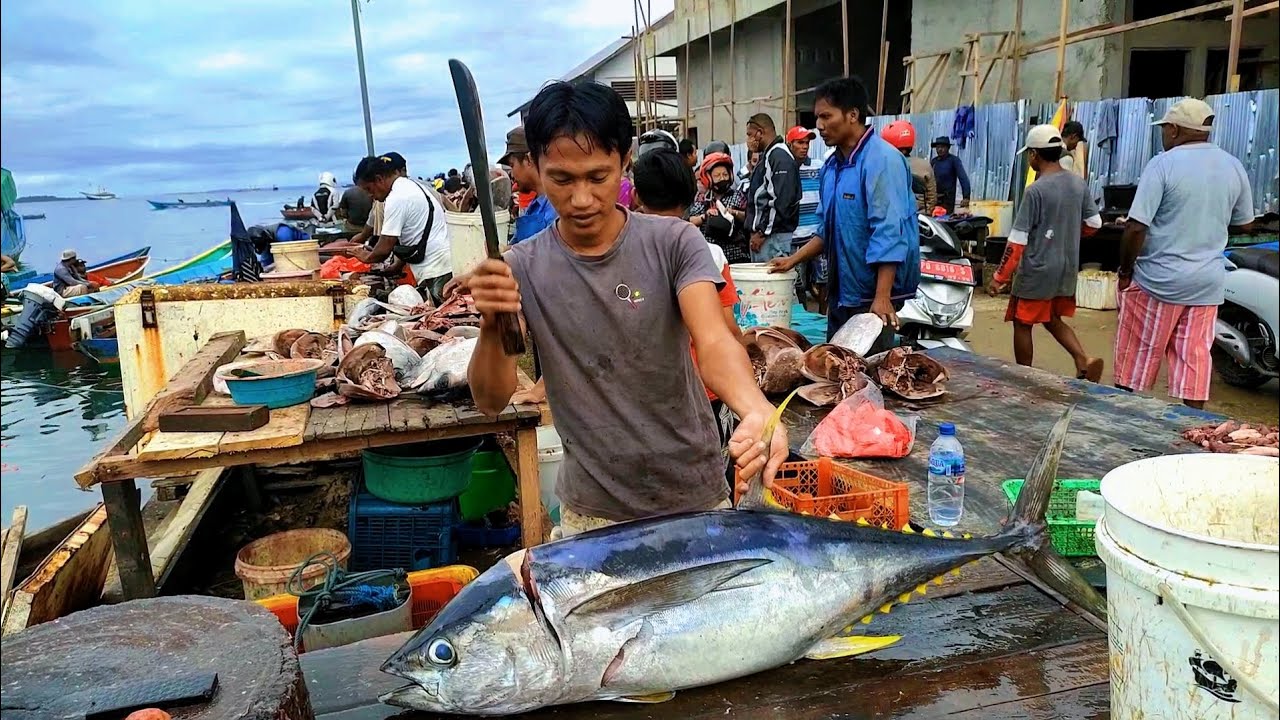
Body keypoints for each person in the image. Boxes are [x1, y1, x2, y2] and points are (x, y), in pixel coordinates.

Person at [465, 80, 786, 538]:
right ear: (533, 166)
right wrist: (493, 323)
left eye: (598, 177)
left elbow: (714, 341)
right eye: (562, 179)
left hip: (693, 498)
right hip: (591, 515)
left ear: (625, 159)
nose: (581, 199)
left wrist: (754, 406)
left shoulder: (673, 242)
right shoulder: (520, 267)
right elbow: (490, 399)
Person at [1114, 98, 1255, 409]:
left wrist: (1125, 272)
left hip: (1158, 281)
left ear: (1174, 129)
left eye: (1165, 128)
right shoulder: (1233, 165)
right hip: (1207, 283)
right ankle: (1194, 430)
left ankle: (1122, 419)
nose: (1164, 135)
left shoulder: (1163, 164)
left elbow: (1136, 228)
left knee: (1136, 358)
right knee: (1194, 358)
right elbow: (1245, 223)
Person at [768, 76, 919, 347]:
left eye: (826, 116)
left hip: (872, 297)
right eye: (817, 118)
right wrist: (793, 260)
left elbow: (889, 232)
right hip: (842, 292)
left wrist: (882, 297)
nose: (820, 126)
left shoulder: (882, 161)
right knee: (837, 369)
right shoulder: (832, 167)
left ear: (852, 115)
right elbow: (827, 229)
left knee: (870, 373)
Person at [632, 145, 744, 486]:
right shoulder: (709, 252)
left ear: (636, 196)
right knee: (712, 483)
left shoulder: (623, 255)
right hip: (705, 392)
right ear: (692, 193)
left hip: (647, 398)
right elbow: (727, 328)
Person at [986, 125, 1105, 382]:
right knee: (1051, 317)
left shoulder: (1036, 190)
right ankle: (1083, 360)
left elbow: (1017, 241)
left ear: (1034, 155)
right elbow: (1095, 223)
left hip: (1038, 268)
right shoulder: (1077, 183)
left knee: (1022, 321)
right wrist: (1069, 233)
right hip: (1066, 266)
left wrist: (999, 276)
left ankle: (1024, 375)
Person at [349, 154, 453, 303]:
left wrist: (365, 257)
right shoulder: (410, 185)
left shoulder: (397, 197)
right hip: (442, 264)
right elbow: (416, 232)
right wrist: (398, 265)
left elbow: (384, 247)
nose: (370, 195)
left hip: (437, 269)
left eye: (369, 189)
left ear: (379, 179)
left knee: (446, 316)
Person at [744, 113, 800, 262]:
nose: (748, 139)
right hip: (769, 237)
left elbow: (781, 201)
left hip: (773, 239)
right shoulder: (769, 155)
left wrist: (762, 233)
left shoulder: (779, 157)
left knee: (770, 284)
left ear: (760, 133)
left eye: (750, 134)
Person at [787, 125, 826, 309]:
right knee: (798, 283)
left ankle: (823, 317)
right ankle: (804, 320)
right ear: (790, 143)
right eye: (800, 142)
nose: (804, 146)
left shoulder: (819, 167)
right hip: (795, 237)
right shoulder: (786, 169)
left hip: (816, 234)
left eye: (807, 143)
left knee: (823, 279)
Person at [499, 125, 558, 245]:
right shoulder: (533, 207)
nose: (511, 173)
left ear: (528, 160)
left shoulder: (556, 207)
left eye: (512, 165)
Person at [688, 152, 750, 263]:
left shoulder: (738, 196)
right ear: (708, 177)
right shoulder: (703, 199)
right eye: (717, 176)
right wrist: (705, 216)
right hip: (711, 258)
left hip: (736, 256)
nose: (722, 178)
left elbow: (748, 217)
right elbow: (690, 220)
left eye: (725, 174)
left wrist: (734, 213)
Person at [884, 120, 937, 213]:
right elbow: (932, 197)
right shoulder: (925, 165)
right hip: (920, 216)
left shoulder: (886, 165)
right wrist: (926, 213)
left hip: (895, 216)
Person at [931, 136, 971, 214]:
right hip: (935, 199)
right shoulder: (934, 162)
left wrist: (966, 197)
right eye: (938, 147)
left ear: (948, 148)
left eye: (942, 147)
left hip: (947, 200)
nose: (940, 149)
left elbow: (963, 178)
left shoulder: (954, 160)